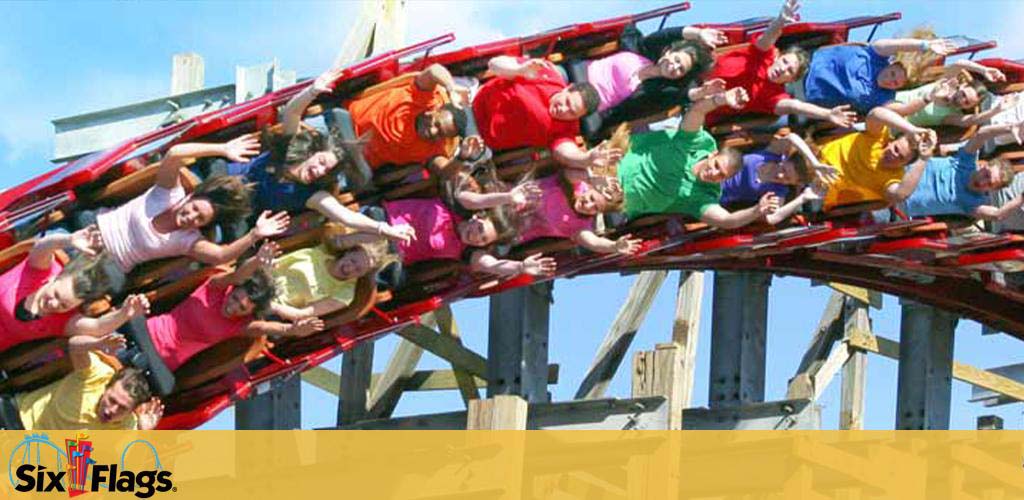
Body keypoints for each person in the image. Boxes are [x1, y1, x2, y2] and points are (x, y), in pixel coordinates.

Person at [213, 68, 416, 244]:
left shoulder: (310, 194)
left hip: (236, 210)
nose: (318, 171)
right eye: (321, 162)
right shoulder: (290, 148)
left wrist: (385, 229)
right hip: (225, 178)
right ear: (311, 153)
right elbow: (292, 113)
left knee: (222, 233)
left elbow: (347, 217)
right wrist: (312, 91)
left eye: (325, 172)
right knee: (209, 177)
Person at [84, 134, 291, 273]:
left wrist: (254, 234)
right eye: (194, 209)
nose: (191, 217)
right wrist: (222, 148)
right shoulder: (168, 194)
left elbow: (220, 255)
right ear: (190, 198)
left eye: (199, 219)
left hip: (103, 265)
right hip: (91, 230)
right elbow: (174, 154)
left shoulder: (187, 240)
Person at [615, 86, 816, 228]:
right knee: (667, 126)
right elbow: (790, 137)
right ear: (713, 155)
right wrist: (721, 99)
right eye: (785, 171)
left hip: (618, 194)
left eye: (788, 179)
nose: (781, 176)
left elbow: (729, 221)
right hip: (616, 161)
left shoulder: (704, 198)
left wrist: (761, 209)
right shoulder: (701, 144)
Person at [702, 0, 857, 128]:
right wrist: (781, 20)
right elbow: (769, 36)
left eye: (789, 71)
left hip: (702, 104)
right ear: (778, 57)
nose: (783, 69)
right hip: (696, 71)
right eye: (784, 62)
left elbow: (796, 106)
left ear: (790, 80)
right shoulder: (764, 54)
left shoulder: (775, 96)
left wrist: (828, 114)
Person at [472, 55, 622, 170]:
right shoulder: (546, 73)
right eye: (567, 102)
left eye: (571, 112)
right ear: (568, 88)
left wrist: (586, 159)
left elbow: (565, 152)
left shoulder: (567, 129)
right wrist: (519, 70)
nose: (563, 110)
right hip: (473, 99)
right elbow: (494, 63)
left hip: (478, 139)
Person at [0, 231, 131, 353]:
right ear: (54, 278)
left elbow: (97, 327)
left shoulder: (63, 321)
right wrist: (69, 239)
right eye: (56, 295)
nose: (54, 304)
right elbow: (43, 245)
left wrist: (125, 313)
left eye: (64, 305)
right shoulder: (40, 270)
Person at [348, 63, 486, 177]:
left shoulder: (433, 149)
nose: (433, 131)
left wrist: (462, 157)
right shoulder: (424, 97)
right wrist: (451, 88)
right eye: (437, 124)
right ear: (434, 110)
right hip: (345, 118)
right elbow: (434, 70)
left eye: (440, 134)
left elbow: (444, 171)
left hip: (353, 156)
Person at [13, 333, 163, 430]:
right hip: (19, 419)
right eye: (111, 400)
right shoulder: (97, 375)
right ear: (107, 387)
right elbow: (74, 346)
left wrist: (144, 432)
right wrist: (96, 344)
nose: (111, 410)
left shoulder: (128, 426)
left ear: (131, 412)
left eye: (122, 408)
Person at [381, 197, 557, 278]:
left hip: (390, 253)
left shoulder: (465, 251)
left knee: (394, 275)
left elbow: (492, 265)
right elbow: (477, 199)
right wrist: (508, 197)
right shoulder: (459, 205)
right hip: (385, 221)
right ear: (477, 217)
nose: (475, 236)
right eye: (479, 228)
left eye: (483, 239)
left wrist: (520, 267)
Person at [803, 30, 958, 114]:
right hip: (804, 64)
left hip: (803, 96)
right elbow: (895, 45)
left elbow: (904, 110)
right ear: (890, 65)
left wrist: (929, 97)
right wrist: (925, 45)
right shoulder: (875, 55)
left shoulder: (882, 97)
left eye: (895, 83)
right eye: (892, 74)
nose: (890, 80)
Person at [815, 105, 938, 210]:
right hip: (814, 157)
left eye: (900, 158)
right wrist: (912, 130)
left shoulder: (892, 178)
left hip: (818, 188)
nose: (894, 155)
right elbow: (876, 113)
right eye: (895, 149)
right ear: (891, 142)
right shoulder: (877, 137)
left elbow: (899, 196)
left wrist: (923, 158)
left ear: (903, 165)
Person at [897, 121, 1024, 220]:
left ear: (992, 190)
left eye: (990, 184)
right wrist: (1010, 127)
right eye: (986, 175)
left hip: (899, 206)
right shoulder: (965, 162)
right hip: (896, 176)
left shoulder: (973, 202)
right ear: (984, 167)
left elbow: (997, 215)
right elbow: (982, 134)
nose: (983, 182)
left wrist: (1022, 198)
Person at [267, 229, 398, 321]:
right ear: (347, 253)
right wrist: (385, 232)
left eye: (358, 270)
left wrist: (270, 306)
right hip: (262, 276)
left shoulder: (344, 294)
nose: (350, 268)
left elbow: (301, 314)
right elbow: (343, 237)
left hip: (274, 307)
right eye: (353, 261)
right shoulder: (323, 250)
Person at [515, 172, 642, 255]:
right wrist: (592, 178)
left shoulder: (581, 225)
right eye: (591, 198)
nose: (588, 205)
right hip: (511, 197)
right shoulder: (577, 183)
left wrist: (613, 246)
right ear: (590, 189)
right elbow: (570, 172)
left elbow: (593, 242)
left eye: (595, 208)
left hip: (510, 230)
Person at [888, 63, 1009, 128]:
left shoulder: (951, 114)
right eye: (963, 94)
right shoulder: (944, 84)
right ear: (963, 86)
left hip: (892, 125)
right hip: (888, 101)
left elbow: (971, 120)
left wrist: (995, 111)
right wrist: (983, 70)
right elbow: (959, 64)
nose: (962, 100)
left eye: (966, 102)